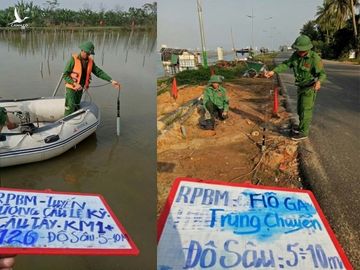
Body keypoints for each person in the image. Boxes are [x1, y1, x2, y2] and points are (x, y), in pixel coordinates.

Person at [265, 35, 326, 141]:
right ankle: (301, 126)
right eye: (298, 50)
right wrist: (273, 71)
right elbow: (286, 65)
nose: (299, 52)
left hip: (309, 88)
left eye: (302, 50)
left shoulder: (314, 58)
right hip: (300, 87)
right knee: (299, 109)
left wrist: (319, 82)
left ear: (307, 49)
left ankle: (304, 132)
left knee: (305, 110)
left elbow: (322, 74)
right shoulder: (295, 56)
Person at [63, 41, 121, 116]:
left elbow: (98, 72)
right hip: (71, 87)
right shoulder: (73, 59)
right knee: (70, 107)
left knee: (77, 105)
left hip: (80, 88)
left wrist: (111, 80)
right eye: (87, 53)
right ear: (82, 50)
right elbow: (65, 75)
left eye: (89, 53)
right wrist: (74, 83)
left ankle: (74, 122)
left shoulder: (90, 61)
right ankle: (66, 123)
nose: (88, 55)